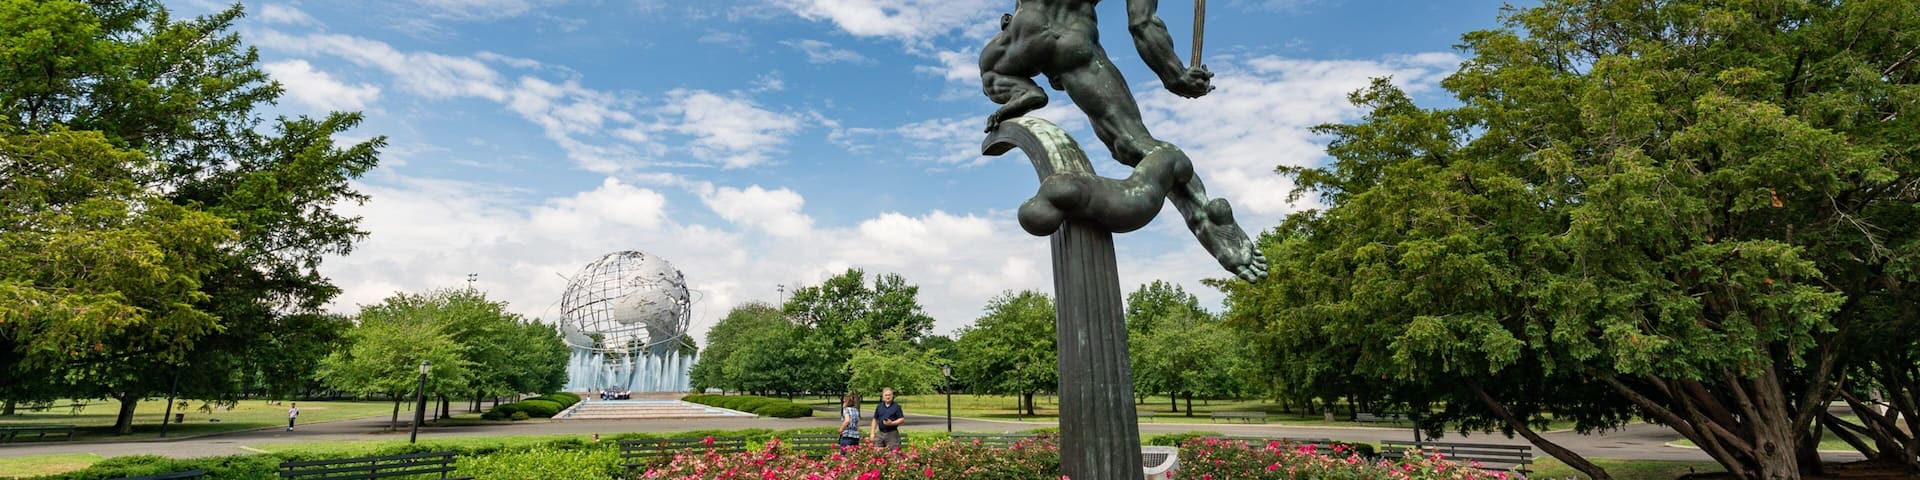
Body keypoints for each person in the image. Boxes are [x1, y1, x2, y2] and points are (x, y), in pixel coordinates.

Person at [979, 0, 1267, 283]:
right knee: (1133, 144)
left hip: (1021, 33)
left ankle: (1020, 92)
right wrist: (1175, 75)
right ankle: (1207, 220)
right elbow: (1142, 24)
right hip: (1072, 40)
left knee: (990, 67)